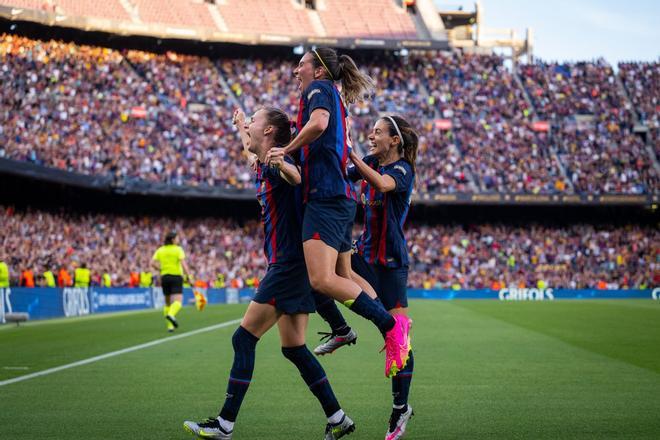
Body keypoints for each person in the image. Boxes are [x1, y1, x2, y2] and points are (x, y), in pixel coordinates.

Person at [183, 107, 354, 440]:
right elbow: (252, 152)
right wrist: (238, 128)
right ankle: (338, 418)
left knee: (243, 338)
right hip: (294, 266)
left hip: (288, 266)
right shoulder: (262, 163)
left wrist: (283, 163)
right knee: (294, 349)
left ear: (270, 132)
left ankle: (225, 425)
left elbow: (296, 176)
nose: (250, 125)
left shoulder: (276, 166)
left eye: (254, 122)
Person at [266, 47, 411, 377]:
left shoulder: (318, 89)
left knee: (320, 279)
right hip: (337, 197)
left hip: (325, 197)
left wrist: (285, 149)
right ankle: (373, 328)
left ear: (318, 71)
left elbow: (319, 123)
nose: (295, 71)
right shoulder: (331, 93)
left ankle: (391, 327)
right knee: (343, 277)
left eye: (301, 65)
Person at [314, 116, 419, 440]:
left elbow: (383, 185)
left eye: (378, 132)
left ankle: (401, 410)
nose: (371, 136)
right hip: (365, 253)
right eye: (371, 132)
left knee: (400, 342)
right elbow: (341, 175)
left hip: (390, 263)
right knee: (319, 276)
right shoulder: (371, 161)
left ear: (395, 140)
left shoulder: (402, 170)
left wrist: (356, 159)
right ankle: (342, 330)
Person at [152, 231, 193, 332]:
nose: (178, 240)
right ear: (173, 240)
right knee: (178, 302)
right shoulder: (178, 249)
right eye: (177, 238)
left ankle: (170, 326)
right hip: (176, 277)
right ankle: (171, 314)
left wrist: (161, 269)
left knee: (167, 303)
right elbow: (184, 264)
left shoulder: (160, 250)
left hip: (165, 277)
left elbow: (152, 263)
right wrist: (189, 276)